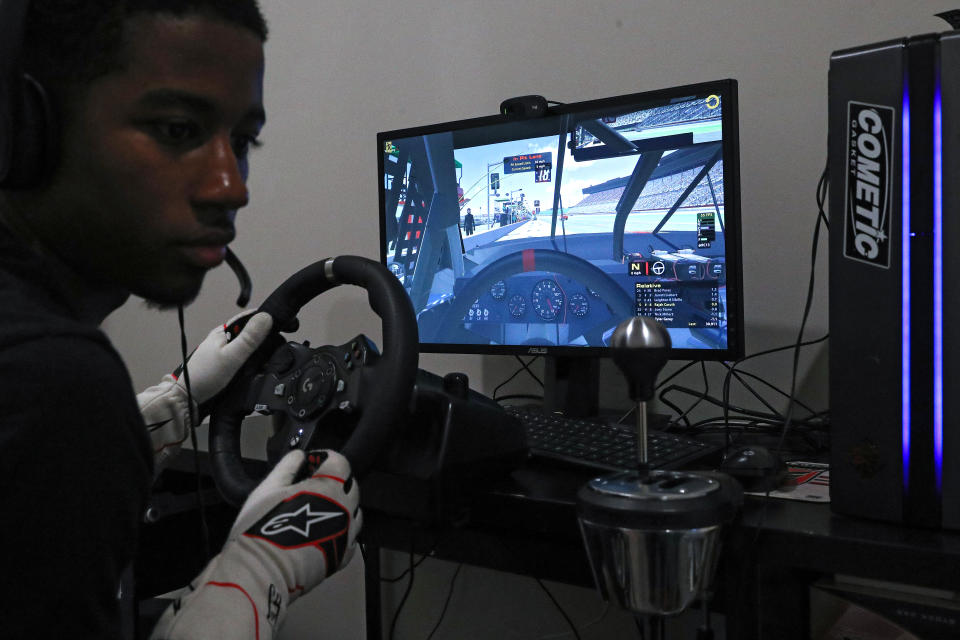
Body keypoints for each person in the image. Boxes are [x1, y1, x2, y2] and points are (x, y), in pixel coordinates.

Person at [0, 2, 360, 638]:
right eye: (175, 129)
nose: (231, 185)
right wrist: (251, 582)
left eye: (242, 142)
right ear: (27, 129)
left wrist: (178, 403)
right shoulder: (58, 381)